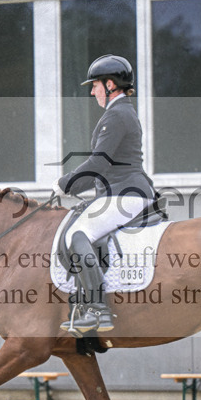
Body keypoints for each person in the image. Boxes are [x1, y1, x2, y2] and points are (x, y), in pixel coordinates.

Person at [52, 54, 156, 334]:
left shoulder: (117, 114)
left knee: (77, 235)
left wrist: (66, 184)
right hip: (120, 191)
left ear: (110, 84)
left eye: (95, 85)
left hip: (126, 192)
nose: (92, 91)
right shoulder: (121, 113)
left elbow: (99, 163)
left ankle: (98, 310)